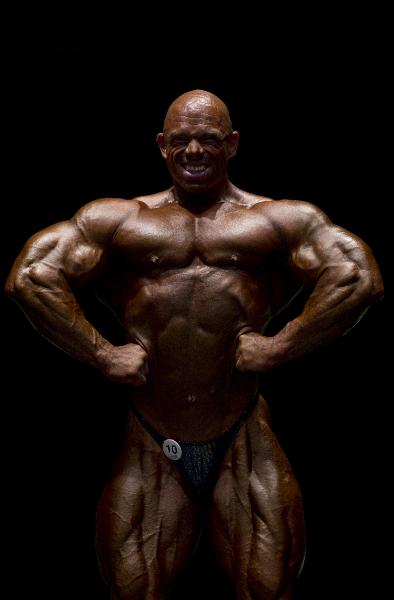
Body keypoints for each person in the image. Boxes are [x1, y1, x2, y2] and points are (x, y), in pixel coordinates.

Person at [5, 89, 384, 600]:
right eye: (181, 139)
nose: (194, 151)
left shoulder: (276, 219)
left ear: (232, 143)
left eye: (209, 139)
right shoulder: (120, 219)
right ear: (162, 145)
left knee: (269, 588)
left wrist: (280, 346)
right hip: (151, 439)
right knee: (135, 591)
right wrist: (100, 352)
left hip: (243, 434)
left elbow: (358, 276)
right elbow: (31, 276)